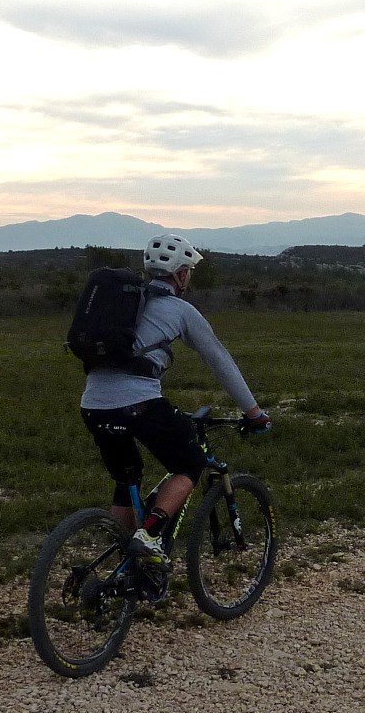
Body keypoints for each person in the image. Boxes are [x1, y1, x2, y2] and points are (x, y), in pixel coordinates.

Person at [79, 233, 271, 569]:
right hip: (138, 404)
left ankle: (123, 569)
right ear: (181, 275)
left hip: (93, 404)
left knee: (127, 480)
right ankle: (150, 536)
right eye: (189, 273)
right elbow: (220, 361)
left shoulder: (120, 304)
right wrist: (253, 412)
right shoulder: (181, 310)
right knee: (189, 465)